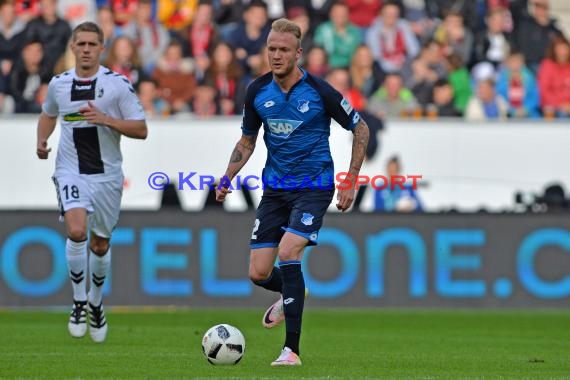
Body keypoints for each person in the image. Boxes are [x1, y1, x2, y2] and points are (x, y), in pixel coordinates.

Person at [215, 18, 369, 366]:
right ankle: (291, 291)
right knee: (257, 272)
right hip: (275, 189)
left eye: (284, 50)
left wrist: (350, 179)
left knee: (289, 251)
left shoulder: (320, 91)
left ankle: (291, 351)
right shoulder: (257, 91)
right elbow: (247, 140)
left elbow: (360, 128)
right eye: (272, 49)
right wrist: (228, 175)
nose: (276, 55)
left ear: (298, 53)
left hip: (314, 186)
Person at [35, 21, 147, 343]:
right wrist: (42, 140)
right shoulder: (59, 84)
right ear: (72, 47)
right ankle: (79, 301)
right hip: (70, 170)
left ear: (101, 48)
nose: (85, 49)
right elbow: (48, 113)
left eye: (91, 44)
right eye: (80, 43)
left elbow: (141, 129)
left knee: (100, 243)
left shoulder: (117, 86)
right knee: (76, 230)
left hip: (107, 176)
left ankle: (96, 302)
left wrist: (107, 119)